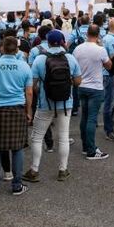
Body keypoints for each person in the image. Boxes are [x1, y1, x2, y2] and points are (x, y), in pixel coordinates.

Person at [26, 30, 81, 183]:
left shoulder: (39, 59)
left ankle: (34, 169)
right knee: (63, 137)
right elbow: (77, 81)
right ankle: (63, 169)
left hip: (45, 103)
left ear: (48, 42)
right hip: (65, 102)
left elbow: (33, 84)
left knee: (37, 137)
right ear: (63, 41)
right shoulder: (70, 58)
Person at [0, 36, 33, 195]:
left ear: (2, 48)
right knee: (17, 148)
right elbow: (29, 92)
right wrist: (28, 111)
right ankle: (17, 185)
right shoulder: (24, 66)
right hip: (17, 109)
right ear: (17, 50)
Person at [74, 25, 112, 160]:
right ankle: (91, 150)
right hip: (95, 87)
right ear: (98, 35)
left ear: (87, 34)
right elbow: (109, 65)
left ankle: (86, 146)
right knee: (91, 118)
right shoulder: (100, 50)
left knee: (84, 117)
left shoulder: (77, 49)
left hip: (82, 85)